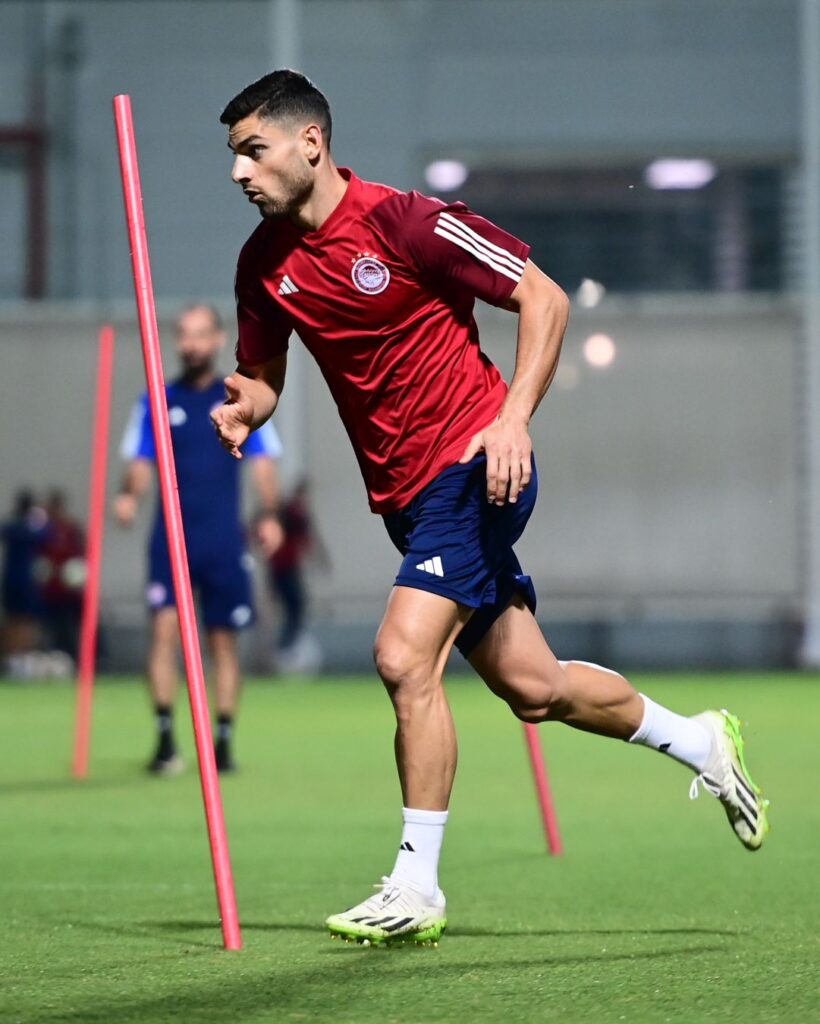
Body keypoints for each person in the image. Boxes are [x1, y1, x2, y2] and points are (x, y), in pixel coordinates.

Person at [212, 71, 769, 944]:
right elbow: (264, 374)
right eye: (233, 156)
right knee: (534, 688)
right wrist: (246, 404)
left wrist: (513, 419)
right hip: (406, 498)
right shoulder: (264, 264)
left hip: (476, 465)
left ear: (309, 142)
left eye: (253, 150)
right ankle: (700, 741)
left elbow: (542, 298)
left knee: (402, 657)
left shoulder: (407, 223)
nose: (240, 172)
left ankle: (417, 886)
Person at [114, 303, 282, 774]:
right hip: (169, 543)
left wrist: (270, 514)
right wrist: (128, 497)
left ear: (216, 338)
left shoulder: (238, 399)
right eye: (184, 335)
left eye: (200, 335)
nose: (192, 344)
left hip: (224, 542)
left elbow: (263, 463)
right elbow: (140, 465)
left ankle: (223, 740)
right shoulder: (155, 402)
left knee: (223, 643)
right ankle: (167, 739)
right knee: (164, 636)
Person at [1, 489, 49, 666]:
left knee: (17, 619)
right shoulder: (28, 527)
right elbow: (46, 534)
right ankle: (16, 656)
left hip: (14, 579)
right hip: (24, 580)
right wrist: (39, 519)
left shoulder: (13, 526)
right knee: (23, 620)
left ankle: (16, 656)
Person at [39, 489, 86, 662]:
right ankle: (54, 657)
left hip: (69, 590)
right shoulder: (44, 531)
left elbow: (81, 552)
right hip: (50, 590)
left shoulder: (70, 528)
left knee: (71, 625)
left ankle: (79, 657)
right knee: (52, 626)